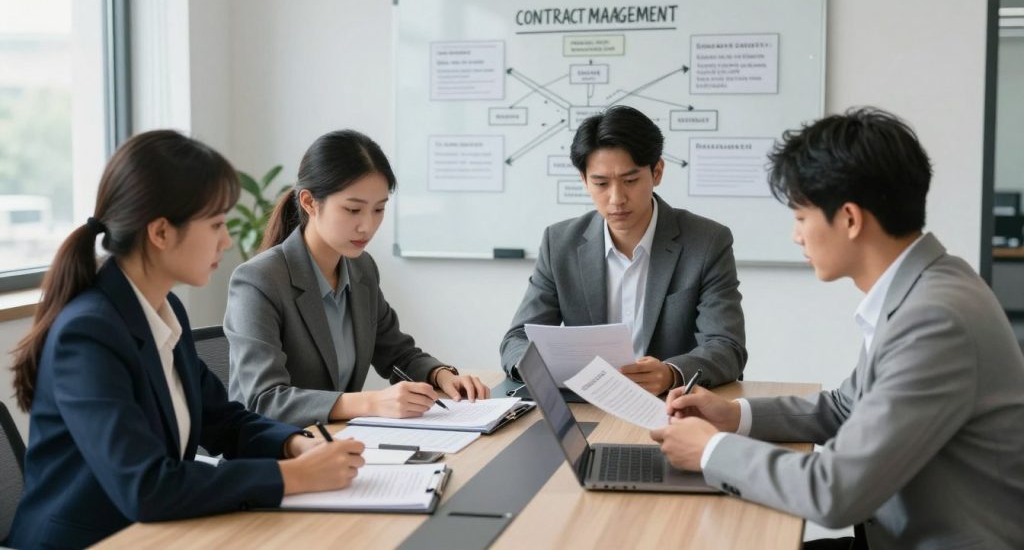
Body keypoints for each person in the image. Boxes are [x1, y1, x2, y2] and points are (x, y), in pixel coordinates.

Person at [651, 108, 1024, 550]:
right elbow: (848, 407)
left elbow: (834, 492)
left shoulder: (936, 319)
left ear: (849, 218)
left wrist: (710, 451)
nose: (796, 236)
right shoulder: (930, 284)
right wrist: (734, 416)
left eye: (801, 217)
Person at [6, 131, 365, 550]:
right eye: (215, 224)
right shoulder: (88, 334)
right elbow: (146, 486)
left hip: (157, 534)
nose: (227, 240)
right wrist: (292, 477)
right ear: (160, 232)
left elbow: (224, 420)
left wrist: (293, 443)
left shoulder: (163, 309)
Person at [225, 129, 490, 428]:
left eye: (379, 209)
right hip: (276, 457)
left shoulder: (361, 269)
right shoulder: (258, 280)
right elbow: (264, 400)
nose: (368, 226)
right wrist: (372, 402)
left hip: (338, 444)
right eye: (353, 209)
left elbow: (396, 352)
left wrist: (442, 375)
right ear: (310, 203)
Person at [500, 105, 746, 394]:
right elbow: (516, 339)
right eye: (601, 183)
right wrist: (538, 369)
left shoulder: (706, 241)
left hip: (670, 404)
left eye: (630, 181)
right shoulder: (560, 243)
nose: (616, 199)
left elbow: (727, 347)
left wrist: (671, 374)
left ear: (657, 172)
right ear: (583, 180)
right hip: (586, 404)